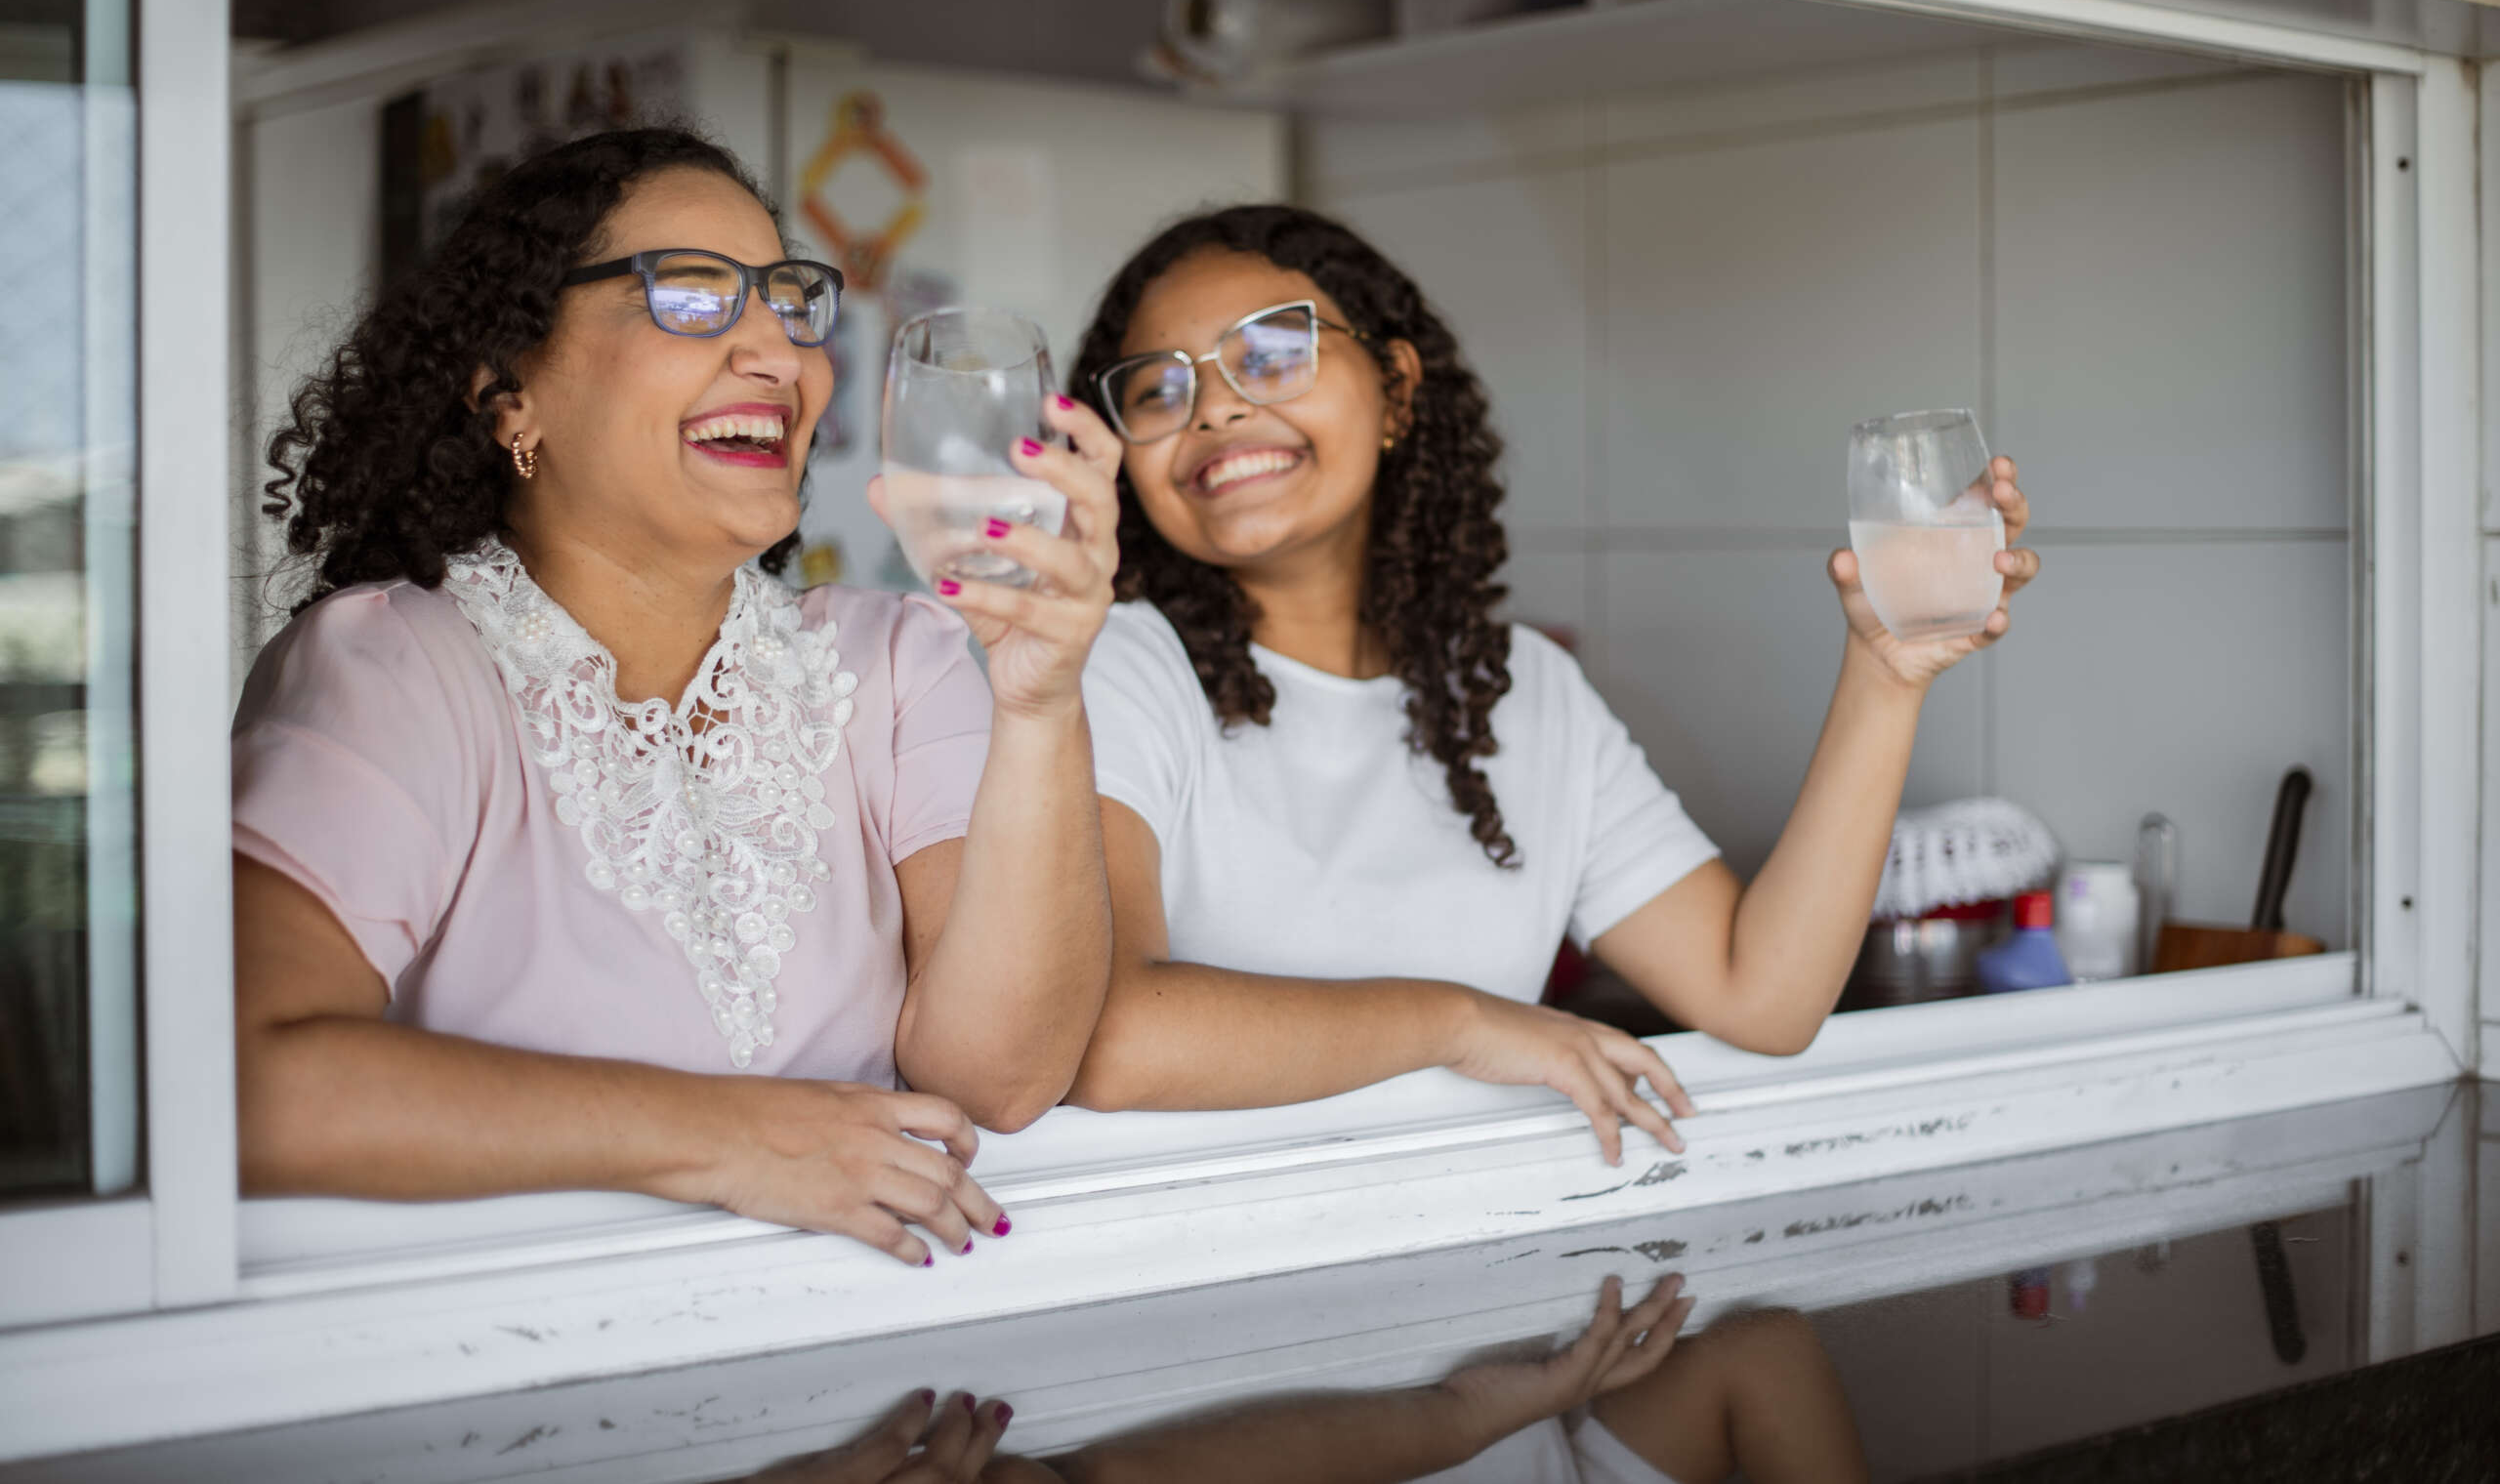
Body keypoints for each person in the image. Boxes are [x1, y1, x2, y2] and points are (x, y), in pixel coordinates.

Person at [1053, 203, 2029, 1479]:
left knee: (1764, 1352)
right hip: (1206, 1344)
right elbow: (1111, 1036)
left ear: (1397, 388)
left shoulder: (1517, 692)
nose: (1218, 409)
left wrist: (1887, 676)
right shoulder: (1112, 666)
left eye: (1274, 349)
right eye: (1160, 388)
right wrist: (1465, 1021)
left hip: (1486, 1311)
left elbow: (1764, 992)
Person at [231, 127, 1122, 1265]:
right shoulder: (396, 672)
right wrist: (731, 1139)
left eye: (791, 303)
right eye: (693, 298)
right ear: (511, 395)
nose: (779, 352)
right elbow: (251, 1080)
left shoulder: (896, 663)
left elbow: (998, 1077)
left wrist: (1043, 705)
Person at [744, 1280, 1869, 1484]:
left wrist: (1500, 1404)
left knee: (1761, 1351)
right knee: (1760, 1352)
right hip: (1503, 1442)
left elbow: (1104, 1474)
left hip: (1497, 1442)